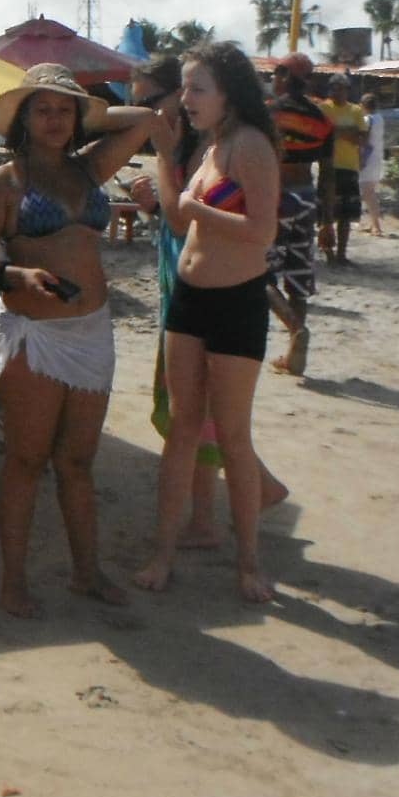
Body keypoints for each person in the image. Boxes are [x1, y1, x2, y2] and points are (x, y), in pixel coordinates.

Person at [0, 64, 153, 617]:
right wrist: (12, 276)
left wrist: (90, 116)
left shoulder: (89, 169)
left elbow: (143, 119)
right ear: (23, 118)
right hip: (34, 333)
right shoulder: (7, 181)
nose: (53, 119)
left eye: (63, 110)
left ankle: (86, 573)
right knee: (25, 459)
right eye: (41, 109)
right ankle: (13, 582)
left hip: (91, 331)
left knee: (78, 460)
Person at [132, 43, 283, 603]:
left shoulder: (251, 147)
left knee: (234, 438)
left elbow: (262, 231)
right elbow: (175, 218)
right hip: (189, 302)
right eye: (186, 89)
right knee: (182, 432)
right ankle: (163, 553)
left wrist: (197, 210)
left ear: (228, 93)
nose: (187, 100)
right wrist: (166, 157)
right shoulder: (210, 149)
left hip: (235, 303)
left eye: (198, 89)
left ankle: (248, 562)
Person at [265, 55, 331, 375]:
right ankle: (294, 355)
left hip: (276, 197)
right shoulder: (320, 118)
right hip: (307, 198)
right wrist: (328, 222)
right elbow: (328, 174)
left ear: (281, 76)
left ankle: (296, 330)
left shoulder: (269, 114)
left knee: (259, 274)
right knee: (298, 278)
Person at [318, 75, 366, 265]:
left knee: (346, 215)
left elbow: (362, 139)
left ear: (347, 90)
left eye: (342, 88)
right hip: (328, 166)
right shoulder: (323, 108)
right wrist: (348, 132)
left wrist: (336, 132)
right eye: (334, 88)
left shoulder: (356, 110)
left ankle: (342, 254)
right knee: (326, 213)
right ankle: (328, 252)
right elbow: (321, 134)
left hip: (349, 166)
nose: (338, 91)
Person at [358, 90, 386, 236]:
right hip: (377, 157)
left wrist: (361, 159)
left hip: (368, 159)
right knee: (370, 192)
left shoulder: (368, 120)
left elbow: (364, 140)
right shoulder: (379, 118)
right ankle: (373, 223)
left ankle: (376, 226)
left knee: (368, 193)